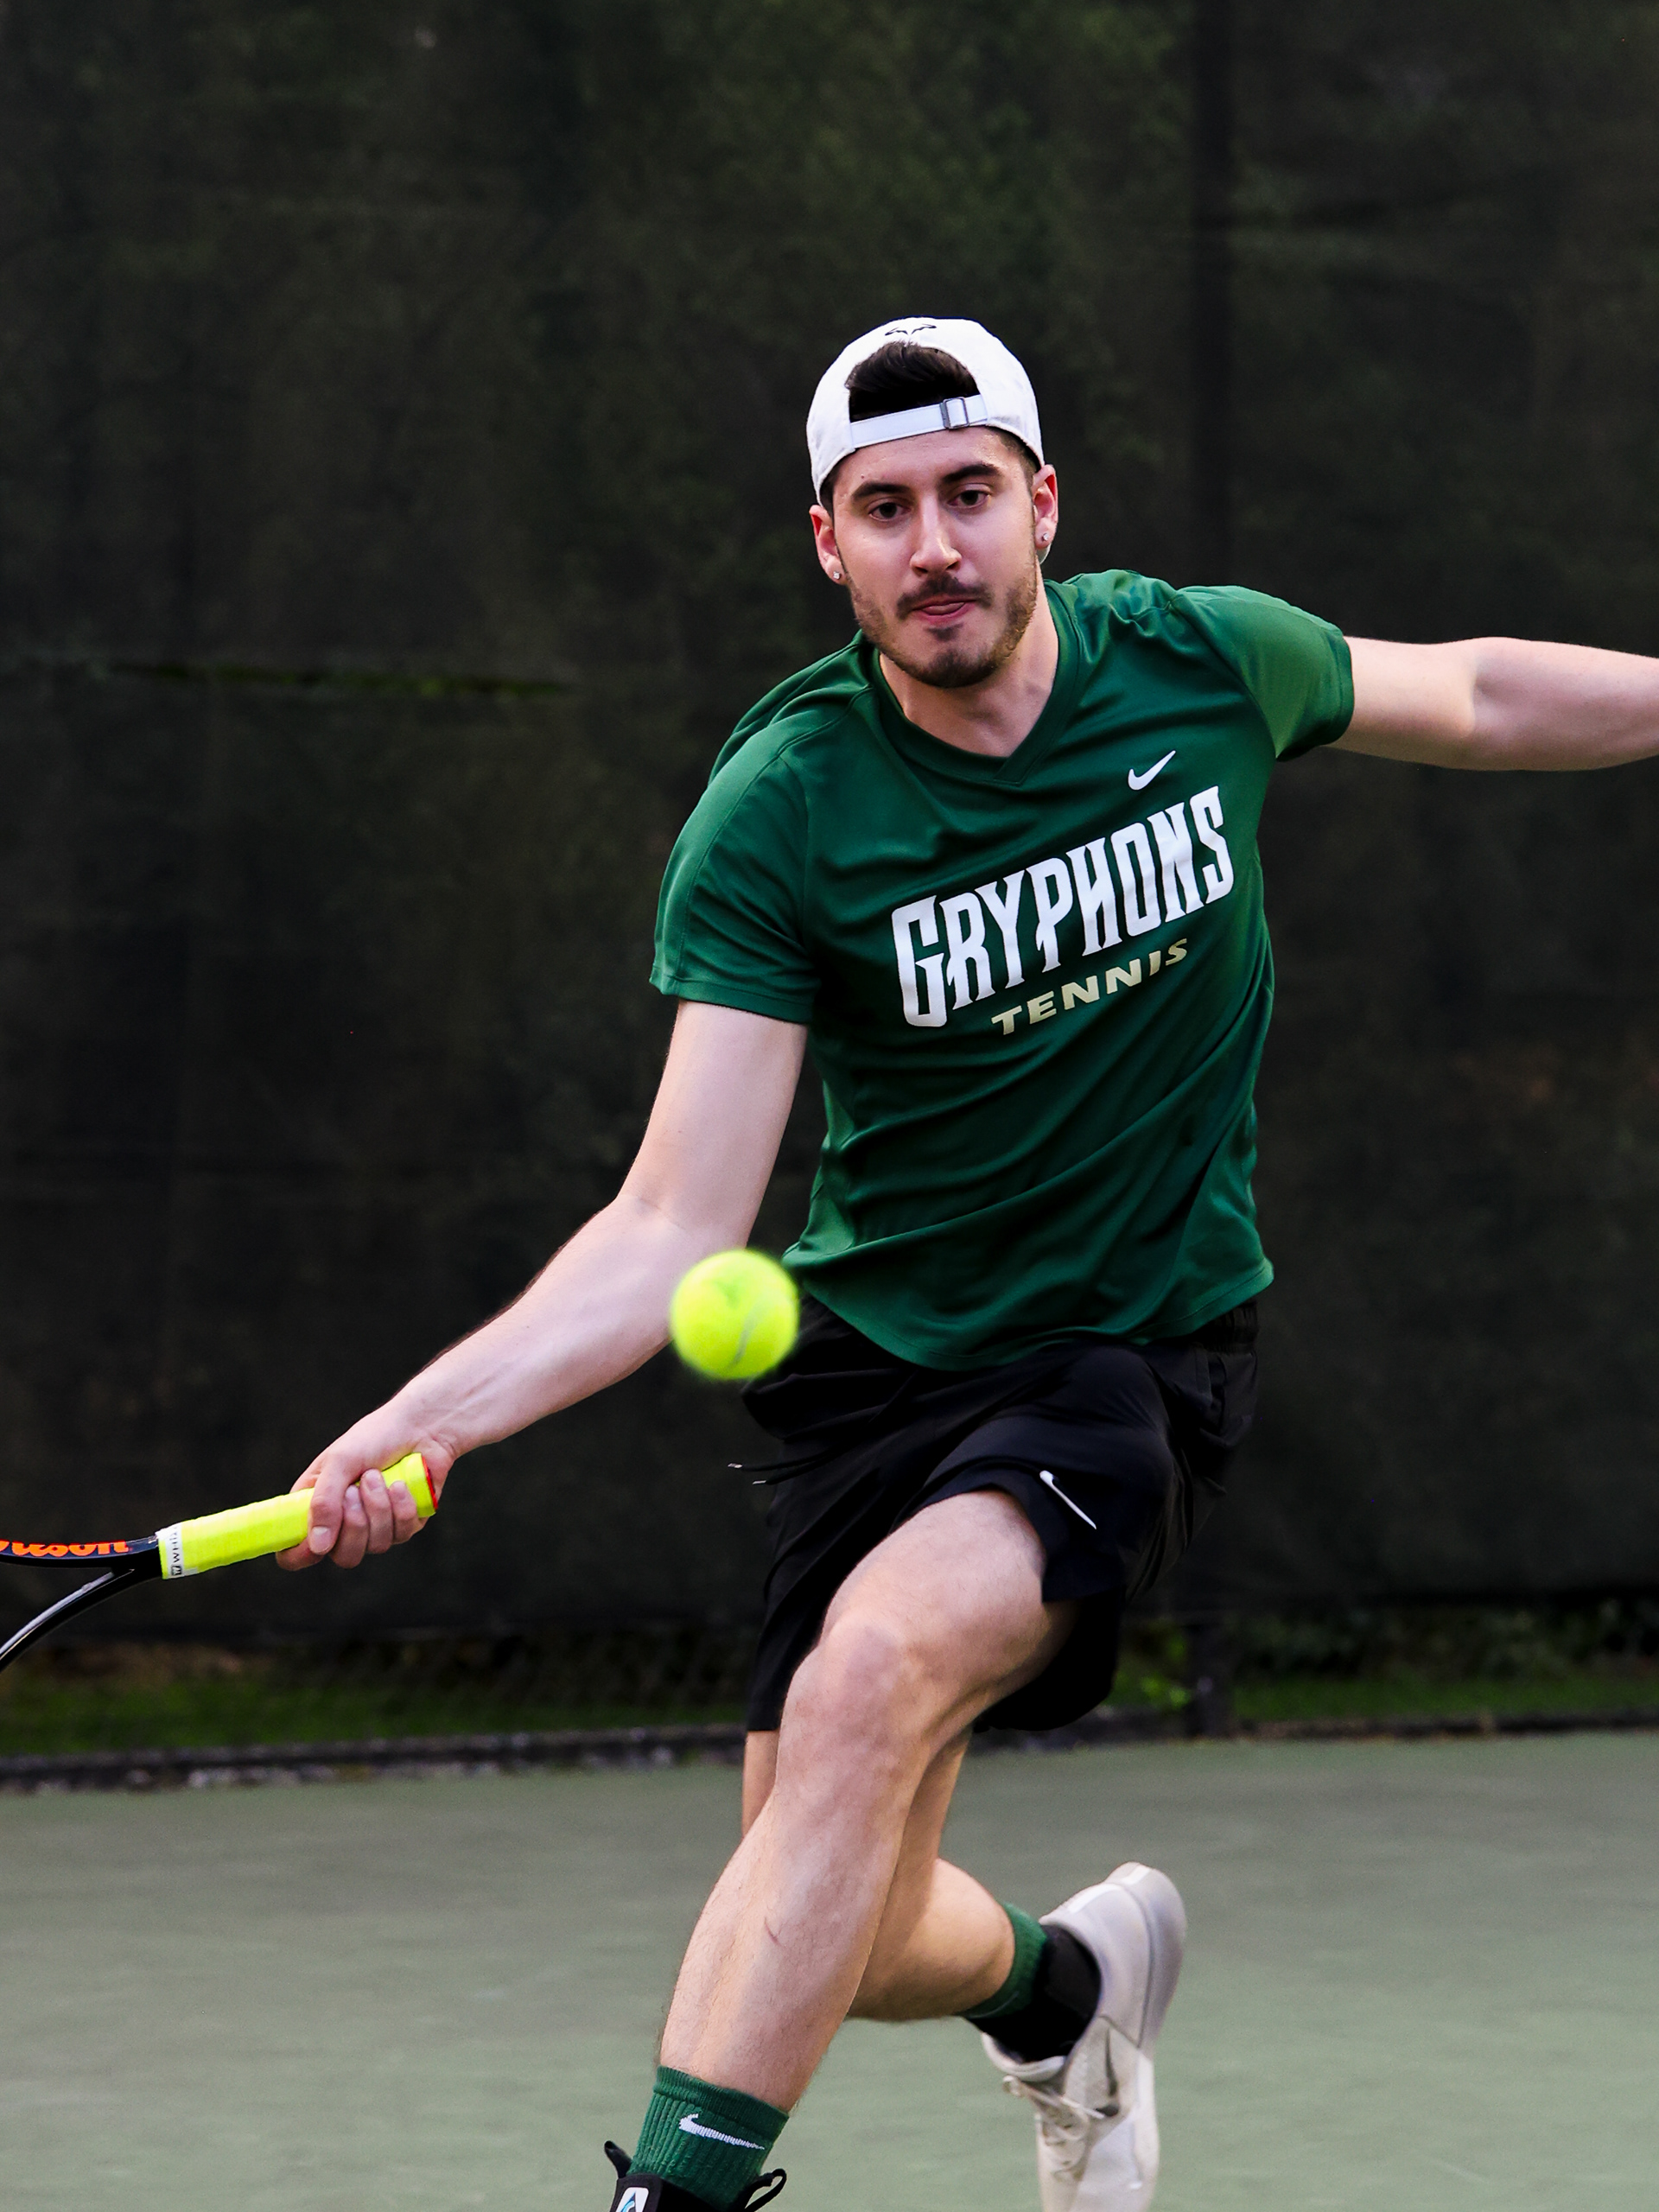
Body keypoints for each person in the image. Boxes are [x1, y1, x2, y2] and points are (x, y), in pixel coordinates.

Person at [278, 316, 1659, 2212]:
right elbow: (675, 1224)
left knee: (861, 1701)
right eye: (886, 510)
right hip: (877, 1362)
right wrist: (422, 1425)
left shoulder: (1198, 659)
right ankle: (1069, 1984)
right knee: (815, 1905)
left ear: (1041, 507)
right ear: (829, 549)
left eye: (968, 496)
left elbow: (1483, 692)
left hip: (1129, 1348)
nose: (935, 545)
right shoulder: (783, 808)